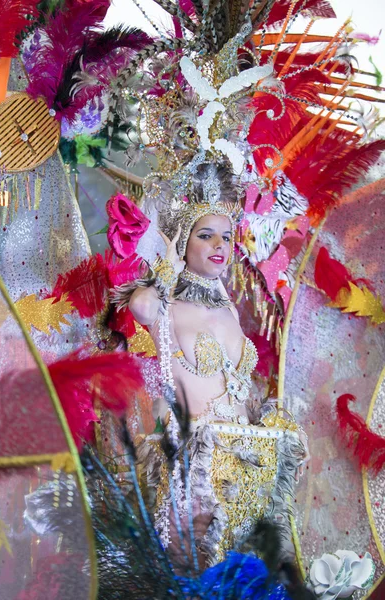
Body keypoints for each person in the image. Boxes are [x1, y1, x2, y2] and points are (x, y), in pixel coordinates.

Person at [112, 162, 309, 566]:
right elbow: (141, 305)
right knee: (201, 570)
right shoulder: (166, 307)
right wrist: (167, 269)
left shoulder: (228, 309)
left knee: (251, 571)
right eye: (206, 236)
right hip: (197, 462)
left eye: (226, 237)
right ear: (183, 242)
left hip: (249, 456)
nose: (220, 245)